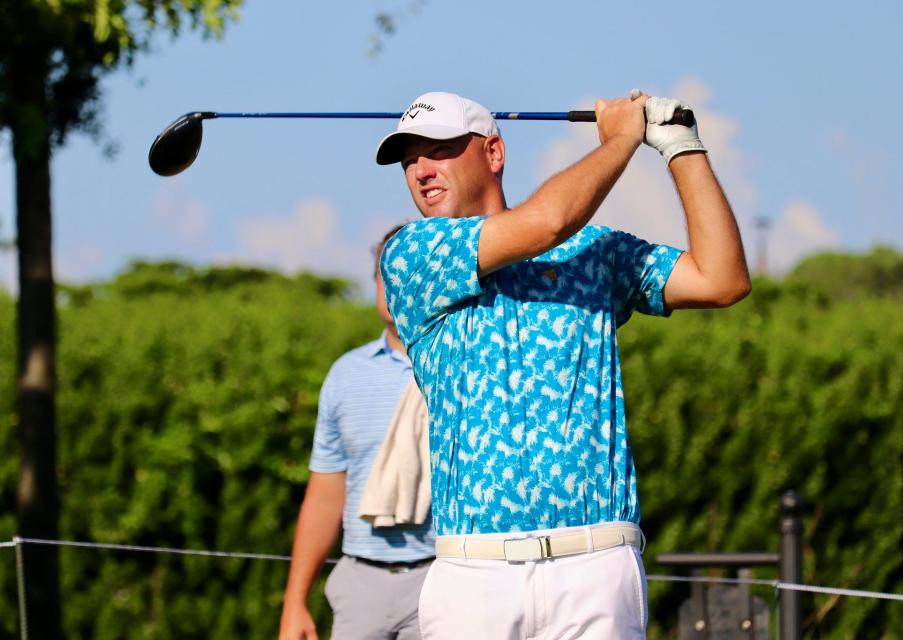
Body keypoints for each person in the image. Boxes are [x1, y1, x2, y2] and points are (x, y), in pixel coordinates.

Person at [375, 91, 751, 639]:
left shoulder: (591, 251)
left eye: (440, 150)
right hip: (474, 572)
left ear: (493, 153)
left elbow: (722, 279)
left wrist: (680, 146)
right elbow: (547, 221)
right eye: (410, 159)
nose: (421, 169)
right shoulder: (413, 253)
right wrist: (623, 137)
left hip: (596, 561)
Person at [279, 229, 435, 640]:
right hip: (360, 584)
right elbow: (326, 493)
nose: (394, 283)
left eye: (407, 271)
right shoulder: (346, 375)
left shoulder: (461, 365)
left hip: (442, 579)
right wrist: (295, 603)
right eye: (385, 272)